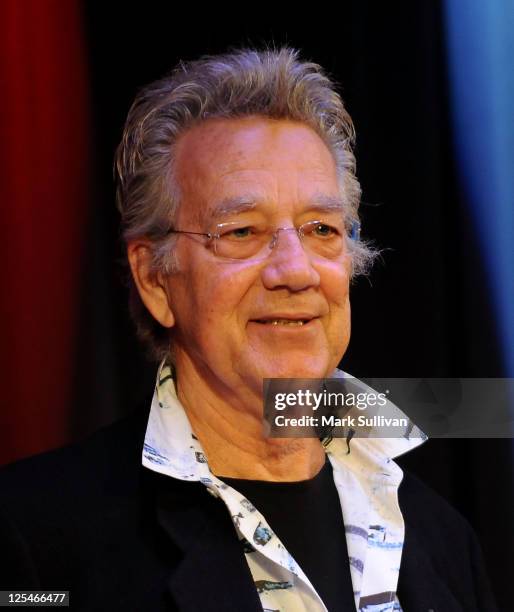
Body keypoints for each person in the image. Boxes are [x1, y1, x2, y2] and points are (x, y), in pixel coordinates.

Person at [0, 48, 497, 611]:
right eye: (240, 232)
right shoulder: (36, 541)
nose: (296, 270)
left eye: (320, 229)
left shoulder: (444, 541)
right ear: (155, 279)